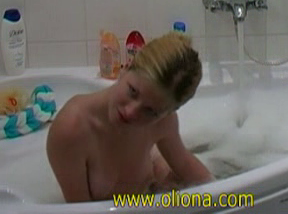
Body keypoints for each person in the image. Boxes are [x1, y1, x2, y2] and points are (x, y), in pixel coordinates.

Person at [47, 31, 214, 202]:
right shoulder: (72, 128)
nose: (130, 112)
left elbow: (184, 164)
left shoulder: (163, 121)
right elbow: (80, 209)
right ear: (126, 68)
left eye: (150, 111)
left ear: (169, 112)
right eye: (133, 91)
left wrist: (223, 196)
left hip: (149, 191)